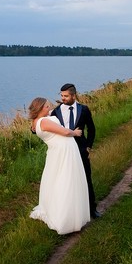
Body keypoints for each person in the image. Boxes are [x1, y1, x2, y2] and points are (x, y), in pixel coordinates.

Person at [28, 97, 91, 235]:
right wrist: (75, 132)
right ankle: (65, 217)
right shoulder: (43, 121)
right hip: (63, 152)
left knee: (59, 179)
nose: (49, 108)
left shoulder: (36, 122)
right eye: (46, 107)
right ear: (39, 108)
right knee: (65, 180)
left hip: (59, 151)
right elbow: (65, 132)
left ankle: (71, 212)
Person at [51, 83, 100, 219]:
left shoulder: (84, 109)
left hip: (81, 150)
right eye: (61, 96)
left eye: (66, 96)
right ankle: (70, 211)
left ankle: (92, 209)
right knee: (66, 180)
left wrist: (89, 146)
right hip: (64, 151)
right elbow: (46, 125)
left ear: (73, 95)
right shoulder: (56, 111)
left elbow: (91, 129)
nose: (63, 98)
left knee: (86, 178)